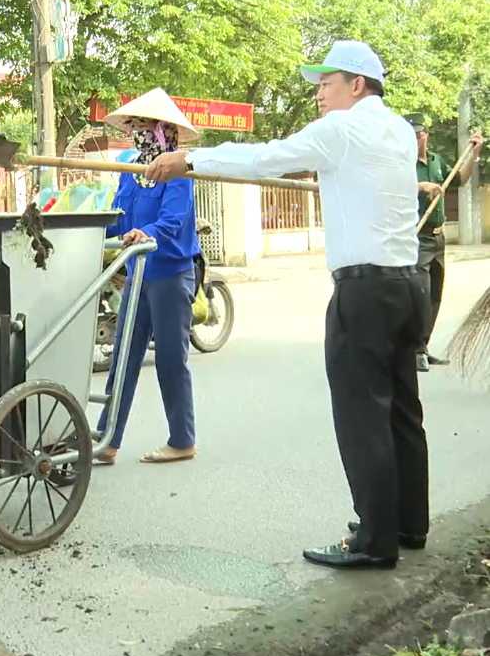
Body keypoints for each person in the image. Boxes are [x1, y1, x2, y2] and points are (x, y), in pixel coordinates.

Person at [147, 40, 428, 571]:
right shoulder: (396, 130)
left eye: (327, 83)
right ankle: (407, 523)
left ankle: (375, 540)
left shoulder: (343, 129)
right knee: (401, 411)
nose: (320, 93)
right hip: (408, 287)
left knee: (362, 415)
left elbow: (265, 156)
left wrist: (190, 159)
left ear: (357, 85)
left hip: (364, 292)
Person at [94, 88, 202, 465]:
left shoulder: (178, 173)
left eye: (143, 125)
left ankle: (182, 439)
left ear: (162, 130)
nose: (136, 131)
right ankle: (107, 439)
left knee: (172, 359)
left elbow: (172, 221)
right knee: (124, 354)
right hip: (138, 274)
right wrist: (84, 229)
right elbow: (117, 216)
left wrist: (147, 232)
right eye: (133, 125)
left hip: (171, 275)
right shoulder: (129, 169)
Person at [406, 112, 485, 372]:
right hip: (416, 236)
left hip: (438, 238)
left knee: (435, 296)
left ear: (427, 134)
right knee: (420, 294)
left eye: (421, 133)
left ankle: (424, 347)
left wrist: (473, 154)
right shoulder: (403, 165)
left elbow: (458, 180)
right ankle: (414, 349)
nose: (418, 138)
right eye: (412, 135)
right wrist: (421, 186)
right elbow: (390, 188)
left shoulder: (437, 161)